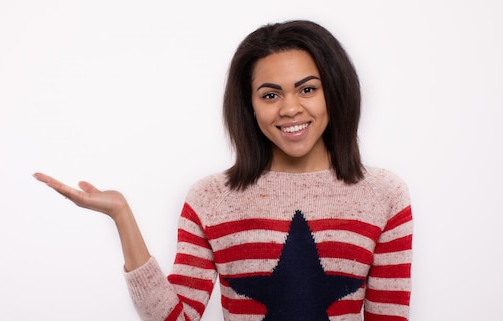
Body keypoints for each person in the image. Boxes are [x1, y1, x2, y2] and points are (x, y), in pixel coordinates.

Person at [33, 20, 413, 321]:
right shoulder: (210, 199)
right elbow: (176, 318)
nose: (290, 108)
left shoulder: (383, 194)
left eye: (308, 89)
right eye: (270, 95)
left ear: (335, 90)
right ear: (249, 106)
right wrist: (121, 215)